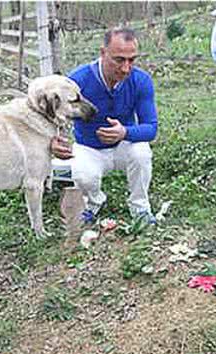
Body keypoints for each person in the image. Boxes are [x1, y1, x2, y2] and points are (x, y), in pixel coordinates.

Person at [51, 27, 158, 223]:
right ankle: (93, 202)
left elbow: (151, 128)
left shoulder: (141, 80)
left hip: (123, 145)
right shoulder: (78, 80)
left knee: (142, 153)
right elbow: (53, 117)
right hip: (89, 147)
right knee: (83, 175)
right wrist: (53, 142)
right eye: (119, 59)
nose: (126, 68)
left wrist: (125, 132)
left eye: (131, 60)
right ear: (103, 53)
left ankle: (140, 207)